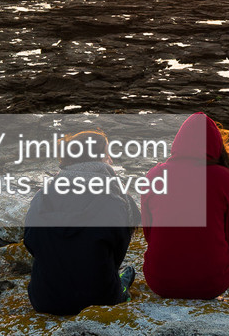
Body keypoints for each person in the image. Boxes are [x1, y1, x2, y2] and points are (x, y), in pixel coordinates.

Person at [23, 129, 141, 316]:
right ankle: (120, 286)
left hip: (44, 299)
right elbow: (117, 252)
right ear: (99, 158)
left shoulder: (43, 194)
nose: (110, 160)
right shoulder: (118, 198)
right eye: (107, 154)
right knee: (124, 274)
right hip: (100, 299)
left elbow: (30, 242)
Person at [140, 112, 229, 300]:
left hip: (160, 281)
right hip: (212, 284)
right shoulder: (227, 179)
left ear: (178, 143)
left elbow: (148, 232)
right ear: (217, 144)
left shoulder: (155, 175)